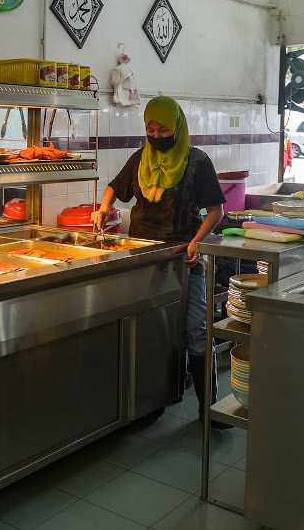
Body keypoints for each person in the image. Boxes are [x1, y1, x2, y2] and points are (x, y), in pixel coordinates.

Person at [90, 96, 227, 426]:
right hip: (143, 258)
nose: (156, 135)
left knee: (195, 329)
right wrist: (103, 208)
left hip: (185, 258)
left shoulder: (197, 162)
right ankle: (150, 401)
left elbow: (216, 211)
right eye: (150, 129)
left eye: (164, 130)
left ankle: (208, 407)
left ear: (177, 128)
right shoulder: (140, 158)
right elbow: (113, 188)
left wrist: (196, 242)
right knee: (149, 329)